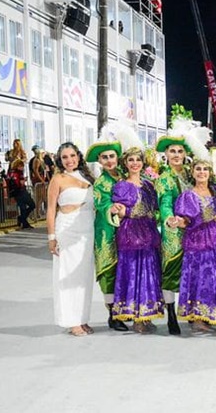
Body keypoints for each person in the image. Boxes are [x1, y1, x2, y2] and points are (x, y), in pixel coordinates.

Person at [168, 159, 216, 342]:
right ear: (192, 173)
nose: (201, 172)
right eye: (198, 169)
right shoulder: (188, 196)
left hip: (214, 243)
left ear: (210, 172)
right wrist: (178, 222)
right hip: (196, 245)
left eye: (205, 169)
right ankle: (202, 320)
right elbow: (185, 221)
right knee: (199, 281)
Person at [111, 147, 165, 333]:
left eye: (138, 160)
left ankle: (146, 314)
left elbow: (155, 209)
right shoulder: (121, 186)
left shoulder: (149, 185)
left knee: (149, 272)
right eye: (131, 160)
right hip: (131, 234)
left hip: (148, 232)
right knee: (133, 272)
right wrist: (129, 212)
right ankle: (136, 317)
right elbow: (120, 210)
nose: (135, 163)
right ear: (125, 163)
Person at [46, 142, 96, 336]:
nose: (69, 160)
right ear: (60, 160)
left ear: (78, 156)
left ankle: (82, 319)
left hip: (87, 229)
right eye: (65, 157)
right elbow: (51, 209)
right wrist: (51, 237)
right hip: (67, 229)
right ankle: (71, 321)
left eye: (72, 156)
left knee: (83, 277)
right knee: (67, 275)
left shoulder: (88, 176)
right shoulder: (58, 179)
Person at [85, 139, 128, 331]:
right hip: (107, 233)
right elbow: (101, 204)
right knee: (109, 272)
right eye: (105, 157)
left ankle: (124, 309)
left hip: (129, 232)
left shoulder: (125, 176)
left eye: (112, 156)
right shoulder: (102, 182)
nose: (109, 160)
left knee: (126, 271)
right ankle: (112, 315)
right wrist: (111, 207)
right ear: (99, 161)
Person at [155, 136, 193, 335]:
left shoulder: (190, 175)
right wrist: (169, 218)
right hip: (174, 232)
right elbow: (165, 202)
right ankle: (171, 315)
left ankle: (194, 314)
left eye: (180, 151)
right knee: (170, 272)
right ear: (166, 155)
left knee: (193, 271)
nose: (176, 155)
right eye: (172, 152)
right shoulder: (164, 178)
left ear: (185, 154)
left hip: (194, 230)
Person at [6, 159, 35, 229]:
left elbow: (9, 183)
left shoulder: (10, 173)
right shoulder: (18, 172)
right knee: (32, 205)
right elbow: (20, 183)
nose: (22, 167)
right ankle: (22, 219)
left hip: (15, 193)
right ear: (18, 166)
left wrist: (11, 195)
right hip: (21, 191)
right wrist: (24, 180)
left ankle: (24, 222)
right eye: (21, 166)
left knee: (23, 208)